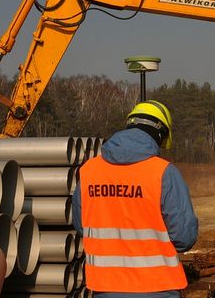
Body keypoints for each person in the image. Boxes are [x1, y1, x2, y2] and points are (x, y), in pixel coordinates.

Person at [72, 100, 198, 298]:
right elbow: (184, 237)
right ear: (160, 133)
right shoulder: (164, 173)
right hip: (158, 288)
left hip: (105, 287)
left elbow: (82, 226)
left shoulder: (89, 172)